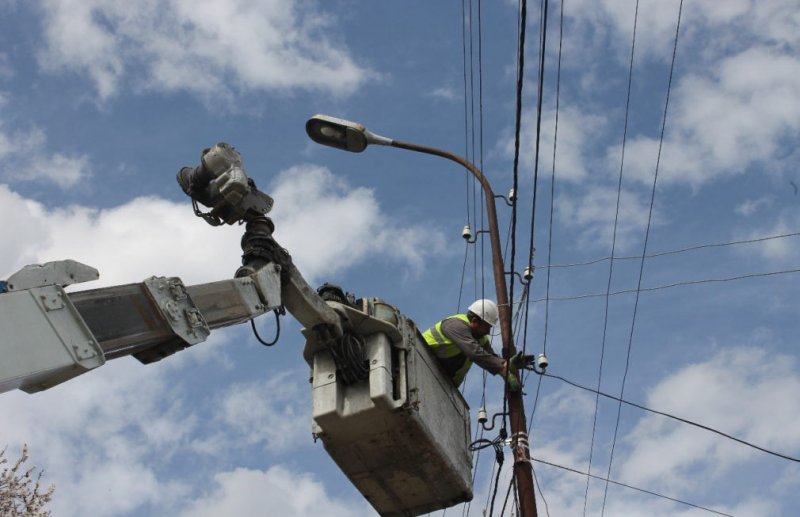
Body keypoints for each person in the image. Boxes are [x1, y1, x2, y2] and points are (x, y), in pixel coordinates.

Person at [422, 299, 519, 390]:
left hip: (445, 384)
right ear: (474, 321)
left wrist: (507, 368)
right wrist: (503, 366)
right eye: (487, 327)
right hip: (422, 361)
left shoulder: (480, 338)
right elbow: (474, 352)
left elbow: (490, 358)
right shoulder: (455, 325)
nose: (488, 332)